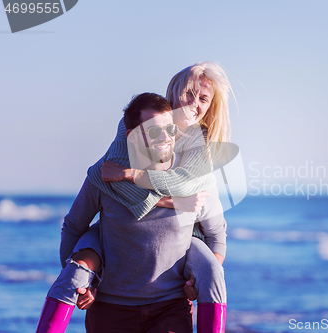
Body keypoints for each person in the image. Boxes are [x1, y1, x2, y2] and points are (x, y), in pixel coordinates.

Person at [36, 62, 233, 333]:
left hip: (169, 307)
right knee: (84, 255)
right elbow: (73, 226)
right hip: (110, 307)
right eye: (188, 94)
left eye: (203, 99)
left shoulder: (199, 176)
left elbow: (217, 235)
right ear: (171, 97)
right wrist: (86, 284)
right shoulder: (108, 171)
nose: (193, 104)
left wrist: (195, 281)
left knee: (208, 263)